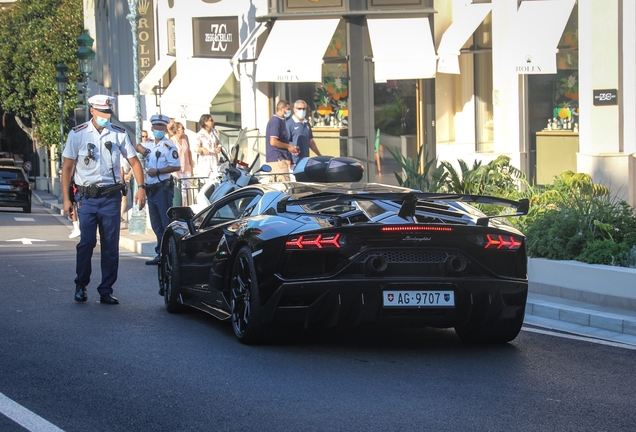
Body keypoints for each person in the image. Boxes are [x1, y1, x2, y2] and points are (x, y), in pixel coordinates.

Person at [61, 95, 147, 305]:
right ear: (92, 111)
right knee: (87, 243)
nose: (106, 117)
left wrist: (141, 188)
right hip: (87, 198)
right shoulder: (77, 134)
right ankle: (81, 284)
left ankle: (106, 289)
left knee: (110, 246)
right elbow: (67, 168)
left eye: (108, 114)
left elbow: (134, 162)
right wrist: (66, 199)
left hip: (111, 198)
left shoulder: (118, 134)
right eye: (102, 114)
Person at [135, 114, 181, 265]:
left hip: (163, 188)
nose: (158, 130)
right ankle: (160, 253)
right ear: (152, 128)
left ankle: (169, 254)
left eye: (161, 127)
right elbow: (136, 146)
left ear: (165, 129)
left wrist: (159, 171)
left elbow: (176, 165)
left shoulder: (168, 146)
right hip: (151, 189)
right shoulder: (149, 145)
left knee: (165, 222)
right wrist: (143, 149)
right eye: (156, 127)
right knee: (155, 224)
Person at [265, 100, 298, 181]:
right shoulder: (275, 121)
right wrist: (288, 146)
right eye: (287, 109)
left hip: (281, 158)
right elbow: (273, 141)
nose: (289, 111)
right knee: (283, 186)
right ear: (281, 108)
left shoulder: (281, 121)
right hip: (277, 159)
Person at [286, 99, 322, 170]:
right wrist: (288, 159)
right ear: (294, 109)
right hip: (294, 162)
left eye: (304, 109)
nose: (302, 111)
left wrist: (319, 155)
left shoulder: (307, 124)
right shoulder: (289, 124)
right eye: (299, 108)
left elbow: (311, 142)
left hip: (305, 160)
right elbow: (285, 143)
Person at [170, 121, 194, 204]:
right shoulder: (172, 141)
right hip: (177, 169)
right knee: (180, 193)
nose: (184, 130)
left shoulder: (185, 138)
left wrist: (191, 166)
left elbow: (189, 152)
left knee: (185, 193)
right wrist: (175, 172)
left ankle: (183, 209)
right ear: (177, 130)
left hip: (187, 168)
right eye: (182, 128)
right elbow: (171, 157)